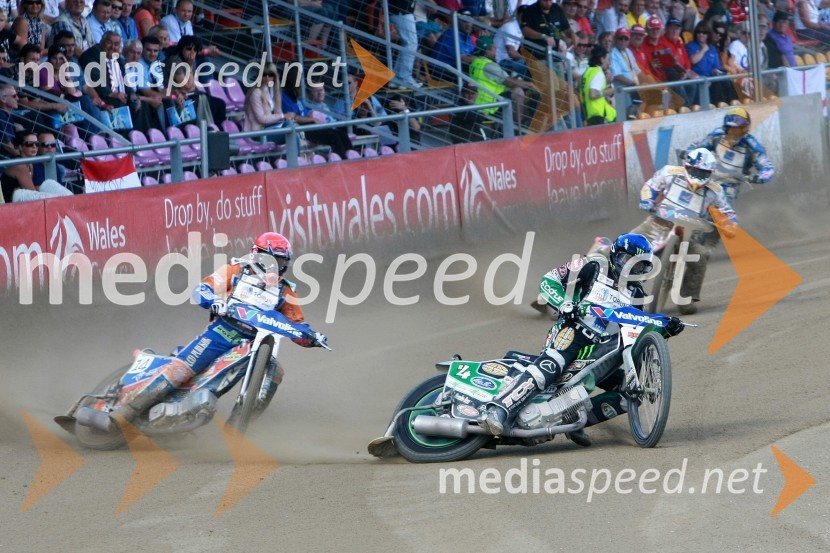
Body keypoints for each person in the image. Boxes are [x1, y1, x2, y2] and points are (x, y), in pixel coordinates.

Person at [480, 232, 686, 441]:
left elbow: (635, 328)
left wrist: (664, 329)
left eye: (639, 265)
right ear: (615, 254)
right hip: (573, 331)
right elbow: (549, 281)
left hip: (603, 349)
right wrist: (564, 304)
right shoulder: (594, 265)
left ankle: (572, 422)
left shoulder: (637, 295)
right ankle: (498, 409)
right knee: (551, 365)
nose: (631, 269)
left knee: (630, 392)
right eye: (627, 261)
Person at [113, 232, 328, 424]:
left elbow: (296, 324)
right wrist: (212, 300)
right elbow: (202, 288)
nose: (277, 266)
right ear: (259, 256)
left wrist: (312, 337)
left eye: (282, 261)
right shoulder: (236, 269)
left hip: (254, 343)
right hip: (221, 333)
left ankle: (240, 422)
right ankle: (125, 411)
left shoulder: (286, 290)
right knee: (181, 370)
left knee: (275, 372)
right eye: (273, 260)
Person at [633, 148, 738, 314]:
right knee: (627, 245)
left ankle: (687, 298)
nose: (697, 176)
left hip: (688, 233)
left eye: (703, 173)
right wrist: (647, 199)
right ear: (687, 166)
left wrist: (730, 225)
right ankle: (609, 283)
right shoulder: (669, 172)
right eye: (694, 170)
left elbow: (728, 212)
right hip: (657, 223)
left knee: (701, 254)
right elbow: (650, 185)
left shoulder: (715, 190)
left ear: (710, 173)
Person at [685, 106, 775, 207]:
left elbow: (768, 166)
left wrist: (760, 177)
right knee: (686, 190)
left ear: (745, 129)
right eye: (730, 129)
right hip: (708, 178)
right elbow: (698, 146)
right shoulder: (717, 136)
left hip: (729, 185)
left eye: (738, 130)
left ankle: (719, 220)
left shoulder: (751, 145)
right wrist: (688, 153)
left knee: (720, 209)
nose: (733, 133)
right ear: (726, 128)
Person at [469, 35, 539, 129]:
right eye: (494, 47)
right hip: (490, 105)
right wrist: (530, 84)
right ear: (489, 49)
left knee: (522, 91)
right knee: (518, 91)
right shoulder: (489, 66)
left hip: (483, 100)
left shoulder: (476, 62)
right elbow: (510, 82)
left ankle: (527, 123)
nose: (496, 49)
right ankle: (519, 128)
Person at [1, 131, 74, 202]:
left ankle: (72, 201)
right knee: (54, 199)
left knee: (49, 183)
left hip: (23, 194)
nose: (34, 147)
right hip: (12, 200)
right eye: (29, 144)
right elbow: (31, 191)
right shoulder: (20, 165)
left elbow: (32, 190)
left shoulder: (30, 163)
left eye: (36, 144)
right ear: (20, 147)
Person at [580, 45, 617, 124]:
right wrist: (608, 91)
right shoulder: (598, 73)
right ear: (602, 59)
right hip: (599, 115)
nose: (608, 62)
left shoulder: (588, 72)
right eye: (607, 59)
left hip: (589, 115)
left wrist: (607, 83)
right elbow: (593, 94)